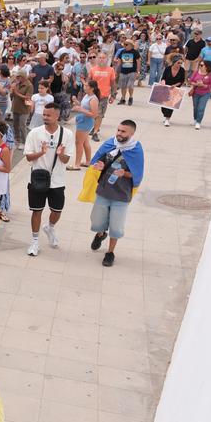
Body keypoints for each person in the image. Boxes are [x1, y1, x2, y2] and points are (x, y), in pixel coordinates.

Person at [89, 120, 145, 267]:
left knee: (116, 226)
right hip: (103, 191)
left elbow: (137, 174)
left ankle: (110, 253)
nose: (119, 134)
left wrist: (124, 173)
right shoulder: (110, 144)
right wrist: (99, 165)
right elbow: (97, 160)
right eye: (118, 130)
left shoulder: (136, 149)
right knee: (97, 221)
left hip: (121, 195)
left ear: (131, 134)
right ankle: (101, 234)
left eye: (123, 131)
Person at [24, 103, 73, 257]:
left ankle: (50, 227)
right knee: (36, 211)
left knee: (57, 211)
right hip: (38, 179)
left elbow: (66, 160)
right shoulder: (34, 133)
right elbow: (28, 157)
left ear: (57, 116)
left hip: (57, 181)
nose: (45, 117)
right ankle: (35, 241)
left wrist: (60, 154)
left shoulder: (67, 134)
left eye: (48, 115)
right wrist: (41, 153)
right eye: (44, 114)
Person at [87, 53, 116, 142]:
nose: (101, 59)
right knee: (93, 114)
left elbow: (113, 83)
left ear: (107, 59)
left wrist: (113, 95)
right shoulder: (93, 69)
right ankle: (95, 127)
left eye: (103, 58)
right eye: (99, 57)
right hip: (93, 96)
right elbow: (89, 82)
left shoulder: (110, 70)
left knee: (99, 115)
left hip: (104, 96)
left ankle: (95, 132)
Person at [71, 80, 99, 168]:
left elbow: (94, 114)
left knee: (78, 142)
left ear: (92, 88)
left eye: (86, 86)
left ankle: (77, 165)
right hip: (82, 120)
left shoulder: (93, 99)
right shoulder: (87, 95)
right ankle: (87, 161)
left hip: (86, 121)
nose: (84, 87)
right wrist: (76, 101)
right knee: (85, 142)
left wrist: (80, 110)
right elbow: (84, 107)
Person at [158, 54, 188, 127]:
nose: (180, 64)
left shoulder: (182, 70)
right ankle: (166, 116)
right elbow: (163, 78)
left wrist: (175, 85)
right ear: (174, 62)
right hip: (166, 88)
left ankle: (167, 119)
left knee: (170, 105)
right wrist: (163, 82)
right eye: (178, 63)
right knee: (163, 107)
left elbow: (182, 81)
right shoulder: (168, 68)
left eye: (181, 63)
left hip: (175, 89)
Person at [189, 59, 211, 130]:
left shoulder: (210, 75)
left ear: (207, 66)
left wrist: (203, 85)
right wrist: (196, 84)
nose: (200, 66)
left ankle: (198, 122)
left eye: (201, 65)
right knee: (195, 107)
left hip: (205, 93)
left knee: (201, 108)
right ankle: (195, 119)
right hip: (195, 92)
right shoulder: (196, 72)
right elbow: (191, 81)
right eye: (199, 65)